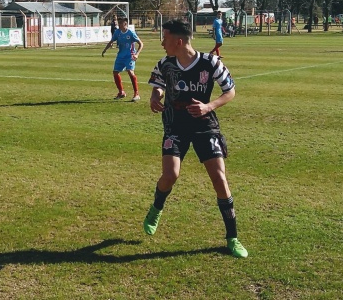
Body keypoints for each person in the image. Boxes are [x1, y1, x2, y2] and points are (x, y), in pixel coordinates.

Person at [142, 19, 248, 258]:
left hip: (205, 126)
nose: (162, 43)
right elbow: (158, 85)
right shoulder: (165, 63)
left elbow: (230, 91)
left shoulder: (210, 63)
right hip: (175, 126)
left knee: (219, 179)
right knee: (170, 175)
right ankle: (156, 207)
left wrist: (209, 106)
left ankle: (232, 238)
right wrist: (155, 97)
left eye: (165, 38)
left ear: (178, 41)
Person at [101, 17, 143, 102]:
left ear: (125, 24)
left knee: (130, 72)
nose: (118, 25)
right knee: (115, 72)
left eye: (120, 23)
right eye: (118, 23)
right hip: (120, 55)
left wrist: (137, 54)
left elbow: (141, 44)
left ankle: (136, 94)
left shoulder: (131, 33)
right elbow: (111, 41)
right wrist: (105, 50)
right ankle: (121, 92)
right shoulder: (117, 32)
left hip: (130, 56)